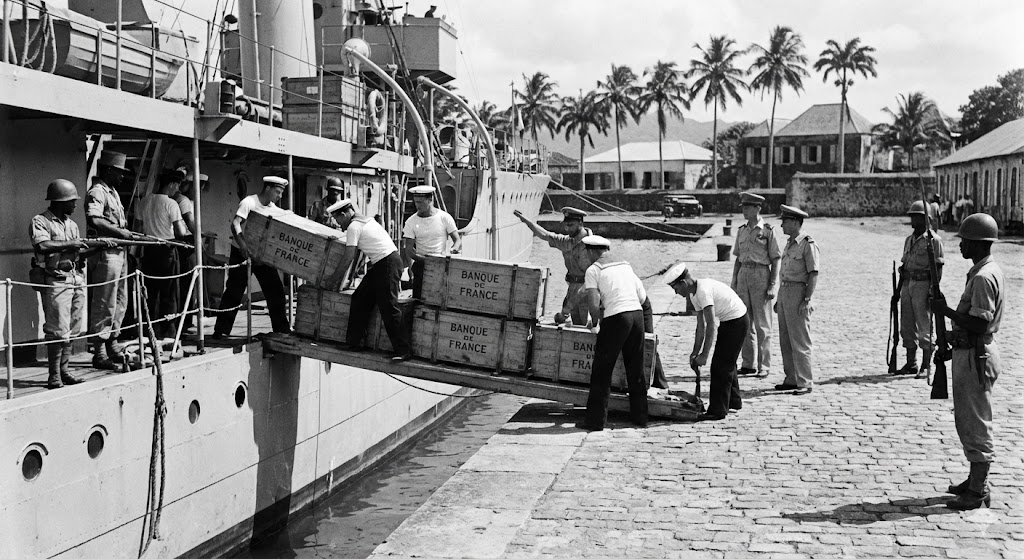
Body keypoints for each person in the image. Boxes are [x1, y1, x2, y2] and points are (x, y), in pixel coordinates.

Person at [930, 213, 1003, 511]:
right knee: (968, 420)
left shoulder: (984, 277)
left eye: (964, 241)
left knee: (976, 423)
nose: (960, 246)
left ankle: (978, 489)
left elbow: (979, 324)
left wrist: (945, 311)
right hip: (969, 352)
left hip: (977, 356)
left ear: (978, 243)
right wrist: (948, 337)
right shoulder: (981, 270)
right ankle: (974, 480)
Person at [31, 179, 115, 388]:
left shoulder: (72, 225)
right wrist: (73, 243)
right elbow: (42, 245)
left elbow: (78, 252)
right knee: (57, 329)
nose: (76, 205)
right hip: (55, 279)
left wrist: (98, 247)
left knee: (73, 328)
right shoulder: (41, 221)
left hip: (75, 278)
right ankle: (54, 376)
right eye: (72, 201)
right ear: (61, 201)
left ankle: (64, 371)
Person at [575, 235, 648, 432]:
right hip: (637, 315)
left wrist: (595, 324)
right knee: (636, 369)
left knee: (602, 371)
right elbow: (642, 296)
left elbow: (592, 303)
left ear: (591, 252)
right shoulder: (625, 265)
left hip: (617, 318)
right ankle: (640, 417)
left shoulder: (593, 270)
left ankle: (595, 421)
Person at [324, 199, 412, 361]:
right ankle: (355, 343)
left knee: (389, 306)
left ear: (344, 214)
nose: (338, 224)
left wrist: (333, 279)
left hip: (387, 264)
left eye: (337, 219)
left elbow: (348, 256)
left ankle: (403, 350)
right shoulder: (365, 220)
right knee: (360, 299)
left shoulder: (353, 226)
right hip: (384, 263)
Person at [664, 262, 748, 421]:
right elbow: (700, 327)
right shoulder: (693, 294)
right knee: (727, 361)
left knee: (720, 366)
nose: (676, 293)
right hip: (729, 320)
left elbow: (711, 326)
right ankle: (734, 401)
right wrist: (695, 352)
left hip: (738, 320)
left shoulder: (702, 291)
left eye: (676, 289)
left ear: (683, 283)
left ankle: (718, 411)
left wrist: (704, 355)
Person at [213, 176, 291, 338]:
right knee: (234, 292)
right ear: (268, 188)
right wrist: (243, 245)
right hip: (241, 253)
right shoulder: (249, 202)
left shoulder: (272, 208)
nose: (279, 196)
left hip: (261, 256)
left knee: (275, 291)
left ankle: (281, 329)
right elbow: (235, 224)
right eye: (277, 192)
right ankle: (220, 330)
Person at [85, 150, 134, 369]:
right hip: (106, 253)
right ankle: (100, 351)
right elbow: (94, 219)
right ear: (107, 170)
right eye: (119, 172)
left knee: (120, 300)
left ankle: (113, 342)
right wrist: (120, 233)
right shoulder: (98, 191)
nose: (122, 176)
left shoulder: (113, 192)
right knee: (104, 301)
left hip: (120, 253)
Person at [731, 192, 781, 378]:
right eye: (743, 207)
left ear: (757, 208)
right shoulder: (742, 230)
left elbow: (776, 258)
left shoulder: (767, 230)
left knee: (762, 324)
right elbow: (737, 259)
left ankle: (764, 365)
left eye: (747, 207)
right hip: (744, 273)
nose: (744, 211)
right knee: (744, 321)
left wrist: (772, 285)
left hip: (761, 274)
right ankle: (748, 363)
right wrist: (734, 282)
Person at [514, 207, 593, 325]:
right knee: (577, 326)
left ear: (580, 223)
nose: (567, 229)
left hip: (588, 290)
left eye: (570, 225)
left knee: (587, 326)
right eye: (566, 225)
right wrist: (525, 220)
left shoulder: (592, 244)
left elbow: (595, 277)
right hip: (573, 287)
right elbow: (544, 234)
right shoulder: (566, 242)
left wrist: (567, 308)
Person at [893, 201, 944, 379]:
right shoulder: (909, 240)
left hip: (923, 285)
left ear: (926, 219)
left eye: (917, 216)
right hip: (907, 283)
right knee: (906, 325)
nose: (913, 219)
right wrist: (897, 292)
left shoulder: (933, 240)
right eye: (912, 216)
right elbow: (903, 265)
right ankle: (911, 362)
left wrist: (932, 290)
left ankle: (926, 363)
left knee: (924, 325)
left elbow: (937, 269)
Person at [137, 169, 189, 338]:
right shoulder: (171, 203)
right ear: (172, 184)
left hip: (148, 250)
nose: (177, 191)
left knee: (150, 292)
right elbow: (181, 232)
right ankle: (170, 330)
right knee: (170, 292)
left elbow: (137, 229)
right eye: (177, 186)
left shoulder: (144, 201)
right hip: (166, 250)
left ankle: (150, 329)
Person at [774, 205, 819, 395]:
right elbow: (783, 273)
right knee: (785, 339)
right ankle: (791, 377)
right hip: (785, 292)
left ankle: (805, 381)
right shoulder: (790, 243)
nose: (782, 224)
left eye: (785, 221)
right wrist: (779, 298)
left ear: (794, 222)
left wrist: (807, 299)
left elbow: (813, 273)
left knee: (800, 339)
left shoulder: (807, 244)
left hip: (799, 292)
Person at [402, 185, 461, 299]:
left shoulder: (444, 218)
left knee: (440, 298)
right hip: (421, 265)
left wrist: (453, 250)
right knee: (419, 299)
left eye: (420, 202)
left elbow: (457, 240)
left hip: (441, 263)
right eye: (415, 202)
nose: (417, 205)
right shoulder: (411, 222)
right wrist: (425, 260)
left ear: (430, 200)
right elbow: (409, 250)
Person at [176, 173, 202, 331]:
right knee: (189, 283)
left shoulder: (176, 199)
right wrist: (200, 239)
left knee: (180, 284)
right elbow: (189, 221)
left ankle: (182, 319)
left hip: (177, 243)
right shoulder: (183, 200)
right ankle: (186, 321)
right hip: (186, 243)